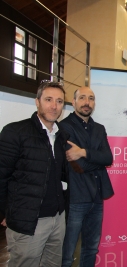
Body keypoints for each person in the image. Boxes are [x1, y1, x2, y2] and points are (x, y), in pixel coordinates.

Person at [0, 80, 69, 266]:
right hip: (28, 221)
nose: (54, 106)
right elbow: (1, 175)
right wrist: (5, 212)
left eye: (59, 101)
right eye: (48, 99)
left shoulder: (61, 135)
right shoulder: (15, 132)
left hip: (58, 218)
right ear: (37, 101)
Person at [60, 86, 114, 267]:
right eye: (82, 98)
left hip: (97, 197)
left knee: (91, 248)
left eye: (91, 98)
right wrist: (96, 159)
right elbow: (78, 166)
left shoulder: (99, 128)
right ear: (74, 102)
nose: (86, 102)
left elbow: (108, 158)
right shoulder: (64, 127)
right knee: (67, 252)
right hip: (76, 197)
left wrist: (82, 151)